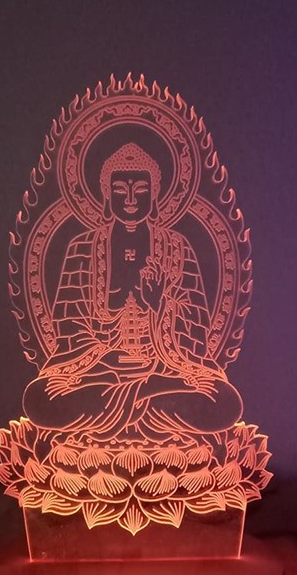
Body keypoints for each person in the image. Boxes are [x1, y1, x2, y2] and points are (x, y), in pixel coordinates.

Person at [22, 142, 242, 440]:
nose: (129, 199)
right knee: (40, 399)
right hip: (100, 373)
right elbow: (70, 328)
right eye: (119, 190)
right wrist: (104, 360)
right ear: (106, 194)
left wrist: (159, 306)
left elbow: (195, 330)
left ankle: (144, 393)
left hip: (164, 371)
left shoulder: (178, 248)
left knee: (224, 402)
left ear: (154, 195)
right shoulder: (82, 248)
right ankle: (145, 396)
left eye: (140, 190)